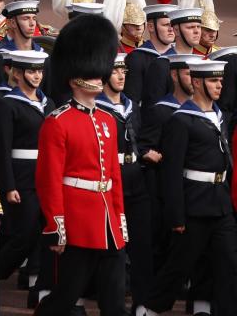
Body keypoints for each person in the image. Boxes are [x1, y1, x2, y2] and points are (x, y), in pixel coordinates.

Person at [34, 14, 127, 316]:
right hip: (77, 221)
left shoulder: (107, 121)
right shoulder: (57, 122)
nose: (100, 78)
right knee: (66, 296)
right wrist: (56, 226)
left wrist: (119, 218)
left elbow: (113, 175)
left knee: (114, 299)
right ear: (75, 77)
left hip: (107, 222)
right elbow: (50, 179)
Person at [142, 59, 236, 315]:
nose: (220, 85)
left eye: (220, 80)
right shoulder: (181, 120)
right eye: (213, 81)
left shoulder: (218, 116)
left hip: (220, 204)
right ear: (196, 82)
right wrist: (176, 216)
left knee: (228, 264)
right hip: (193, 206)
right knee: (178, 267)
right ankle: (148, 310)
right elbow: (171, 173)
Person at [0, 50, 52, 298]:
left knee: (45, 233)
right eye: (31, 71)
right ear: (17, 73)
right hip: (22, 177)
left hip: (45, 176)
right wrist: (8, 185)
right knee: (24, 235)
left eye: (39, 71)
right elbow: (3, 148)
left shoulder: (49, 103)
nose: (36, 76)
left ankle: (38, 287)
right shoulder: (8, 104)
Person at [96, 51, 153, 312]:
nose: (120, 76)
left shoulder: (131, 105)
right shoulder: (97, 108)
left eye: (123, 71)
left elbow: (137, 139)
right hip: (110, 178)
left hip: (135, 177)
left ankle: (141, 303)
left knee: (142, 245)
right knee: (113, 248)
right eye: (115, 71)